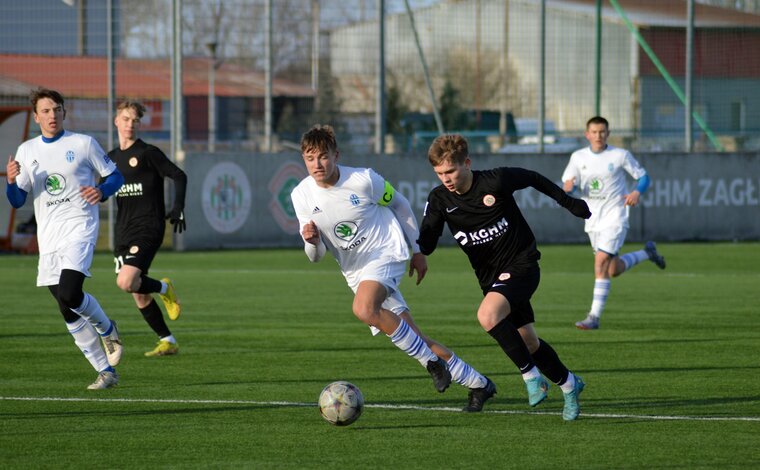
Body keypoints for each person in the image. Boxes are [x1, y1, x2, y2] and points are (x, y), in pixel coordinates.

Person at [291, 124, 497, 412]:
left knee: (363, 309)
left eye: (323, 157)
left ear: (336, 155)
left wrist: (417, 250)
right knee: (414, 336)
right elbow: (315, 256)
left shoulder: (363, 180)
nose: (317, 164)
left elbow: (400, 205)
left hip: (386, 251)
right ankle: (479, 384)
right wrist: (311, 241)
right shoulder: (301, 195)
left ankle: (432, 364)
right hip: (356, 272)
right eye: (310, 158)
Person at [419, 134, 591, 420]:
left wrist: (569, 202)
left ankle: (531, 378)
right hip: (491, 279)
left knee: (487, 315)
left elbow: (533, 177)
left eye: (450, 170)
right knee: (529, 343)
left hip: (523, 264)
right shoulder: (439, 199)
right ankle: (570, 384)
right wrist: (413, 247)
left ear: (467, 163)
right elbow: (427, 241)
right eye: (439, 173)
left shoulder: (494, 181)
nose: (446, 178)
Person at [5, 88, 125, 390]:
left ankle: (107, 328)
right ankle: (105, 371)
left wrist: (102, 191)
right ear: (36, 117)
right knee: (64, 305)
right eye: (45, 111)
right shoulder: (27, 150)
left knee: (72, 293)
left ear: (64, 113)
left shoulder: (82, 144)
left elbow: (115, 177)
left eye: (57, 109)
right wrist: (9, 181)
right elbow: (18, 200)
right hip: (49, 237)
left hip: (79, 227)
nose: (52, 115)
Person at [562, 116, 666, 331]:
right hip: (592, 219)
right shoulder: (578, 157)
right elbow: (568, 185)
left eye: (602, 132)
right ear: (587, 134)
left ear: (608, 133)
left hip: (615, 216)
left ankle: (594, 317)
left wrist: (637, 192)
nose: (598, 136)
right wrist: (569, 187)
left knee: (600, 262)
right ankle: (648, 253)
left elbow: (644, 177)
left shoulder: (620, 155)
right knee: (612, 269)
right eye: (594, 132)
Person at [109, 101, 186, 356]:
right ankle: (168, 340)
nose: (130, 124)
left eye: (135, 120)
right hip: (123, 232)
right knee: (137, 291)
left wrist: (178, 208)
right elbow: (98, 189)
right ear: (116, 121)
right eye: (126, 118)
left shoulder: (148, 153)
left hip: (149, 226)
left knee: (126, 281)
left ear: (138, 124)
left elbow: (179, 175)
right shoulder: (110, 159)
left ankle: (165, 289)